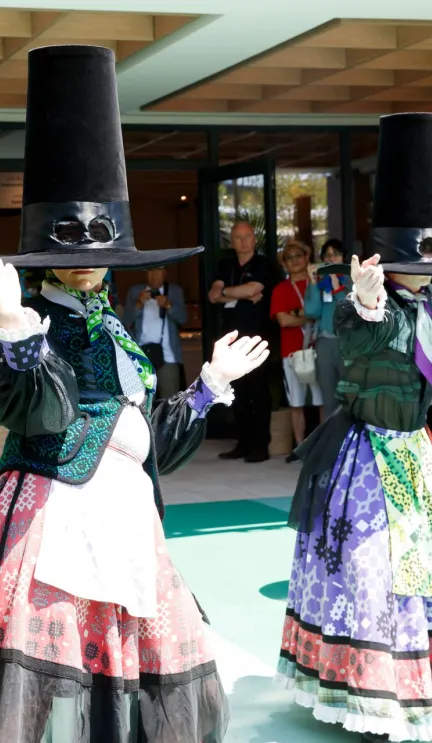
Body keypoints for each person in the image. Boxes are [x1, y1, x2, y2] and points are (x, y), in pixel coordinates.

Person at [0, 44, 270, 743]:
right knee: (48, 675)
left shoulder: (111, 325)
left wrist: (209, 387)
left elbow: (145, 443)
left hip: (126, 517)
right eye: (70, 256)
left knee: (119, 668)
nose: (87, 267)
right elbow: (48, 415)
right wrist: (12, 322)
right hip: (52, 517)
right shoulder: (23, 328)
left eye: (100, 255)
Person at [277, 112, 432, 742]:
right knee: (370, 571)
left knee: (418, 572)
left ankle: (414, 685)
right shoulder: (365, 304)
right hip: (367, 459)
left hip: (417, 455)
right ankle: (369, 693)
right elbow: (362, 334)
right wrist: (367, 299)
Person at [209, 221, 281, 462]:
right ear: (232, 241)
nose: (243, 241)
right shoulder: (225, 265)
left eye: (247, 236)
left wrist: (228, 292)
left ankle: (261, 446)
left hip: (258, 338)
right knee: (237, 391)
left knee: (258, 391)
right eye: (238, 237)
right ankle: (243, 443)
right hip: (231, 339)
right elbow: (213, 294)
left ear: (254, 239)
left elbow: (253, 289)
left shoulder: (264, 265)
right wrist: (238, 292)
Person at [270, 240, 324, 453]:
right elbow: (284, 321)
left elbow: (326, 312)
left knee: (322, 401)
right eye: (289, 258)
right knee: (296, 402)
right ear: (284, 264)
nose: (294, 260)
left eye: (298, 256)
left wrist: (296, 314)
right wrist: (309, 315)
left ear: (307, 258)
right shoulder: (280, 289)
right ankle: (300, 448)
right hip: (292, 353)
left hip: (319, 349)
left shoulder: (319, 283)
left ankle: (323, 446)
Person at [304, 238, 352, 415]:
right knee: (329, 396)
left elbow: (351, 311)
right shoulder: (319, 282)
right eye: (327, 255)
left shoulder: (352, 279)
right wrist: (313, 282)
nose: (331, 259)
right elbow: (311, 311)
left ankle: (353, 432)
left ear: (344, 257)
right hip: (324, 342)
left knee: (351, 395)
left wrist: (337, 288)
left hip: (347, 343)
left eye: (336, 254)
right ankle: (332, 432)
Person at [123, 266, 187, 398]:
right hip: (141, 355)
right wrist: (138, 304)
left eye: (158, 270)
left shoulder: (174, 291)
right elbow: (125, 321)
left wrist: (168, 305)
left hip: (168, 357)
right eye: (150, 270)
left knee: (169, 401)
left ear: (165, 273)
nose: (154, 274)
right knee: (141, 400)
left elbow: (183, 318)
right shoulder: (136, 291)